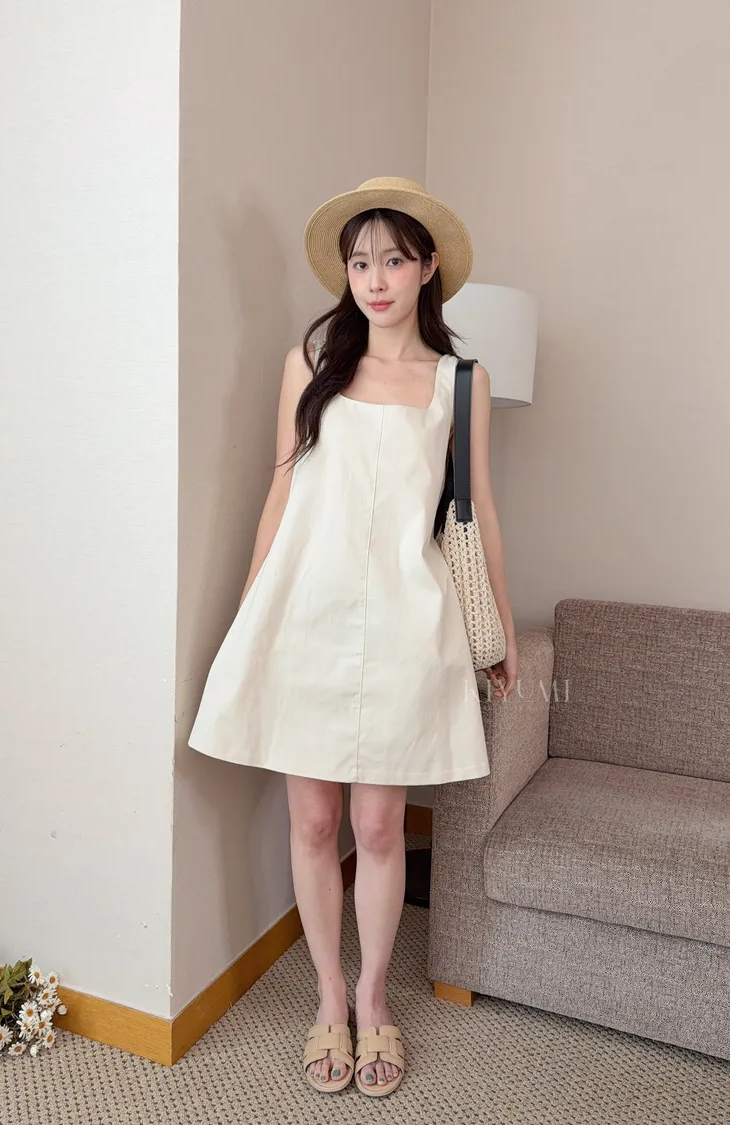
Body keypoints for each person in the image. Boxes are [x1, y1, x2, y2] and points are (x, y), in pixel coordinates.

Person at [188, 177, 518, 1097]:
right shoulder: (310, 362)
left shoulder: (461, 382)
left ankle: (375, 998)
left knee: (377, 823)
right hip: (306, 613)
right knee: (313, 820)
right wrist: (249, 609)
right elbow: (281, 490)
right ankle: (328, 998)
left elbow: (480, 511)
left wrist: (498, 622)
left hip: (412, 619)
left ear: (428, 267)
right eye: (361, 261)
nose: (375, 279)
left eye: (394, 260)